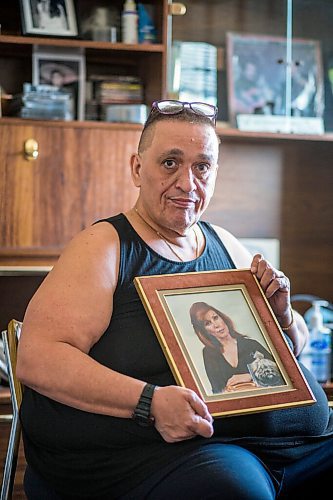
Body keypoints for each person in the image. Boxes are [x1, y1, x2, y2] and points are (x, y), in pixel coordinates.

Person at [16, 99, 333, 499]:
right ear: (137, 169)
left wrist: (283, 317)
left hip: (274, 449)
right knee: (235, 488)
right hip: (155, 460)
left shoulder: (228, 245)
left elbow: (295, 346)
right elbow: (38, 356)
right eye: (170, 163)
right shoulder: (104, 247)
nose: (187, 182)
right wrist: (149, 402)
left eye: (202, 166)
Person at [189, 302, 284, 393]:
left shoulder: (251, 344)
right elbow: (217, 390)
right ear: (204, 331)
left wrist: (251, 376)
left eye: (216, 318)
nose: (216, 325)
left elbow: (283, 374)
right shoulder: (209, 354)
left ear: (222, 318)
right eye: (208, 323)